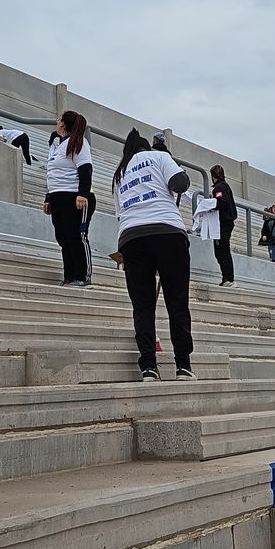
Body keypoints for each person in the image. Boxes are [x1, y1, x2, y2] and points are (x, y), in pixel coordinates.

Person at [112, 129, 195, 382]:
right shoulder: (158, 156)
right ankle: (183, 366)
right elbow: (180, 183)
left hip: (131, 238)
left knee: (142, 306)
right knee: (177, 303)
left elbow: (119, 213)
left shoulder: (119, 173)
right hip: (167, 231)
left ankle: (148, 366)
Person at [44, 110, 95, 287]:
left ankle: (83, 275)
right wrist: (48, 198)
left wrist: (82, 194)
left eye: (59, 120)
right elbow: (53, 174)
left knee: (76, 236)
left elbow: (85, 169)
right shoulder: (59, 146)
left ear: (64, 124)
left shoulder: (79, 142)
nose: (57, 123)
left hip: (74, 196)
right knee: (63, 237)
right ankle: (70, 275)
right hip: (57, 197)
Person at [209, 165, 237, 287]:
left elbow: (222, 202)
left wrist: (210, 205)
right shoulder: (225, 186)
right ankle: (226, 278)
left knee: (222, 251)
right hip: (227, 221)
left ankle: (229, 278)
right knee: (221, 251)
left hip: (223, 222)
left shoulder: (219, 188)